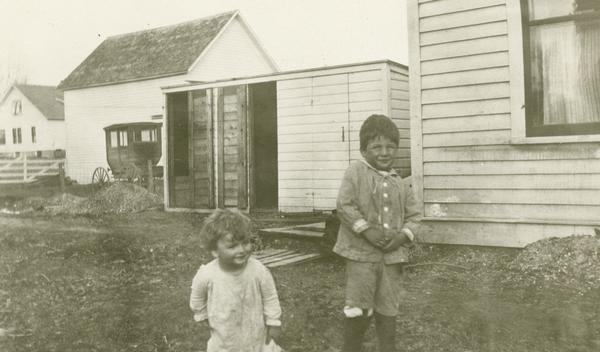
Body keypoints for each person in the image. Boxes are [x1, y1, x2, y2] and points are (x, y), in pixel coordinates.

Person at [333, 114, 421, 352]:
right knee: (358, 307)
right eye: (376, 147)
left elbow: (415, 217)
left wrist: (402, 237)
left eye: (390, 147)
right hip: (361, 256)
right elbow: (345, 205)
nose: (384, 152)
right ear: (363, 151)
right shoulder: (356, 172)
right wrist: (367, 231)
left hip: (392, 259)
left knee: (388, 306)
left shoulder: (400, 183)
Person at [189, 209, 283, 352]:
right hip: (223, 335)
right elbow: (197, 297)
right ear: (215, 251)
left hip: (254, 331)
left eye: (245, 243)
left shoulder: (258, 271)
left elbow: (270, 297)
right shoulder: (207, 274)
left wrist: (274, 322)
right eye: (232, 246)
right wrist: (201, 316)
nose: (241, 250)